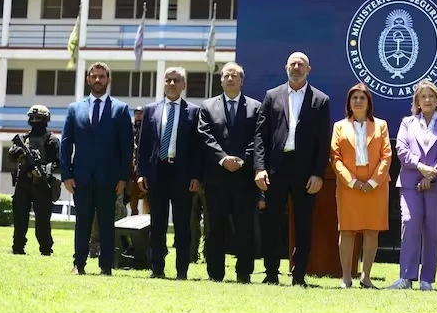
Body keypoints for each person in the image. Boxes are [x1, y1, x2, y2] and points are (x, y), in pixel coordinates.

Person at [254, 52, 331, 287]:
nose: (296, 67)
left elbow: (323, 141)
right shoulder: (272, 96)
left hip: (305, 172)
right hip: (275, 170)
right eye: (293, 64)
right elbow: (260, 135)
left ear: (309, 69)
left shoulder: (321, 100)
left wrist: (318, 173)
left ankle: (299, 276)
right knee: (272, 224)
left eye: (301, 64)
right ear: (286, 66)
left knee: (303, 225)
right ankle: (271, 273)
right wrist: (259, 167)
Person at [61, 62, 133, 276]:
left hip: (109, 179)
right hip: (80, 178)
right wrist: (66, 175)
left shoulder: (120, 109)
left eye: (102, 76)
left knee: (106, 224)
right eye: (94, 76)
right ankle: (79, 264)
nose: (98, 80)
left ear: (109, 80)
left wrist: (123, 177)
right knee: (81, 222)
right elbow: (66, 144)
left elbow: (126, 147)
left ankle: (106, 266)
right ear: (88, 79)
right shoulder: (75, 109)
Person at [198, 62, 261, 283]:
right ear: (221, 80)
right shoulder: (207, 107)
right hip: (217, 178)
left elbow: (258, 139)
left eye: (235, 76)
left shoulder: (255, 107)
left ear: (242, 80)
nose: (230, 79)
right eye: (226, 75)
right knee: (215, 227)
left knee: (245, 227)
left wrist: (242, 160)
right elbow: (205, 136)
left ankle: (244, 273)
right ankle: (215, 273)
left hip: (244, 179)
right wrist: (223, 159)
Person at [137, 67, 201, 280]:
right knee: (158, 224)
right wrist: (141, 172)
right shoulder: (151, 110)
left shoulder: (193, 111)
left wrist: (196, 175)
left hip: (182, 174)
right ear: (163, 83)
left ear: (183, 85)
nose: (172, 84)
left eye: (176, 80)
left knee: (183, 225)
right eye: (168, 80)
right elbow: (144, 144)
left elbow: (197, 147)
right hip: (157, 173)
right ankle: (157, 269)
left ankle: (182, 271)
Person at [388, 81, 437, 290]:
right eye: (423, 96)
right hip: (410, 182)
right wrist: (421, 167)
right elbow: (402, 150)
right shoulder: (407, 123)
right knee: (410, 222)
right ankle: (406, 277)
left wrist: (431, 175)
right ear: (417, 101)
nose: (427, 100)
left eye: (431, 96)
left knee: (433, 230)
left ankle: (427, 280)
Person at [330, 84, 392, 289]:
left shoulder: (381, 125)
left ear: (368, 103)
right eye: (354, 97)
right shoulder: (339, 126)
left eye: (362, 98)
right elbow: (335, 157)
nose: (358, 101)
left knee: (371, 231)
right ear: (348, 102)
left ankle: (366, 277)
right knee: (347, 231)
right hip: (349, 186)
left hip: (376, 186)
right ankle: (346, 278)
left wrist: (374, 181)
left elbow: (386, 156)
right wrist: (352, 181)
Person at [9, 105, 60, 256]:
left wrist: (44, 171)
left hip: (42, 185)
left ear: (46, 120)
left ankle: (45, 249)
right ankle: (17, 247)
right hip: (23, 183)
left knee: (43, 220)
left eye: (39, 118)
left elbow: (58, 163)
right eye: (32, 118)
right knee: (20, 217)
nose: (35, 121)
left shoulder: (52, 140)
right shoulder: (23, 139)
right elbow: (11, 157)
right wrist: (17, 153)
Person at [128, 106, 149, 216]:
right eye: (136, 113)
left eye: (140, 113)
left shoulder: (146, 128)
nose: (138, 115)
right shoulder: (130, 128)